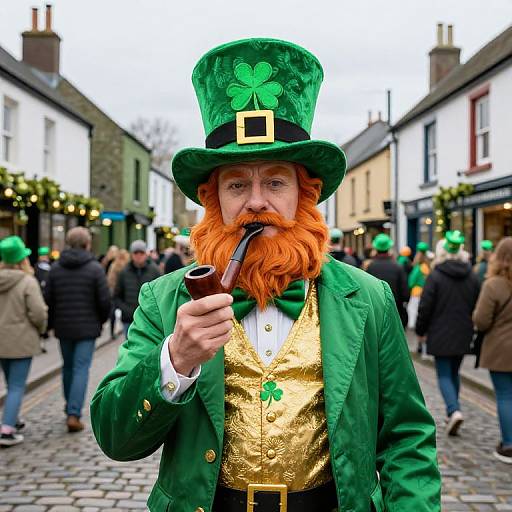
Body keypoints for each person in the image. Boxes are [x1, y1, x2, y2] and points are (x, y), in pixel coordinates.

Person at [91, 38, 440, 512]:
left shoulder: (370, 297)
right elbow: (117, 438)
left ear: (304, 195)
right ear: (215, 200)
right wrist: (175, 360)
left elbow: (406, 437)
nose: (257, 201)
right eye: (237, 184)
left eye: (275, 181)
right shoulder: (164, 298)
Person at [44, 227, 111, 433]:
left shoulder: (55, 268)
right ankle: (74, 413)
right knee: (81, 368)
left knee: (68, 367)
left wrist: (52, 323)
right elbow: (104, 300)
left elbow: (48, 299)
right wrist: (101, 321)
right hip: (87, 328)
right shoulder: (95, 269)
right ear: (87, 244)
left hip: (63, 327)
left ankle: (68, 408)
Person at [416, 231, 480, 436]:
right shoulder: (471, 275)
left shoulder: (436, 275)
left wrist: (420, 330)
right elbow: (477, 301)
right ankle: (453, 409)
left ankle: (453, 410)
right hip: (463, 330)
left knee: (443, 374)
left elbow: (425, 306)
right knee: (454, 372)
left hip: (440, 331)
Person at [0, 236, 47, 447]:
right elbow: (38, 313)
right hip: (21, 340)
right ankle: (7, 430)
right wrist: (41, 330)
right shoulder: (27, 281)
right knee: (17, 386)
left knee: (11, 384)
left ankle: (14, 419)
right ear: (22, 260)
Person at [473, 237, 512, 463]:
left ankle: (508, 445)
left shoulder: (494, 284)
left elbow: (481, 321)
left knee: (505, 396)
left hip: (500, 350)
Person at [114, 240, 160, 336]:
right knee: (130, 348)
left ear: (146, 254)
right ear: (131, 254)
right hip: (129, 319)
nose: (139, 256)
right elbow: (116, 296)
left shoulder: (154, 271)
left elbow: (160, 294)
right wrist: (126, 310)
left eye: (141, 253)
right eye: (136, 253)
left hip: (148, 319)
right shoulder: (124, 272)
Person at [366, 233, 410, 327]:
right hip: (395, 311)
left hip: (376, 313)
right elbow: (405, 294)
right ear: (389, 248)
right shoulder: (398, 267)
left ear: (376, 248)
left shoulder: (370, 267)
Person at [408, 241, 431, 339]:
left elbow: (411, 281)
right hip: (425, 292)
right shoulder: (428, 266)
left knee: (412, 309)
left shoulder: (417, 268)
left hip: (416, 292)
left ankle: (414, 328)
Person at [106, 249, 130, 339]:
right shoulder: (127, 266)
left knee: (113, 313)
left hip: (115, 292)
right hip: (125, 293)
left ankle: (112, 331)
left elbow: (110, 279)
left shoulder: (114, 265)